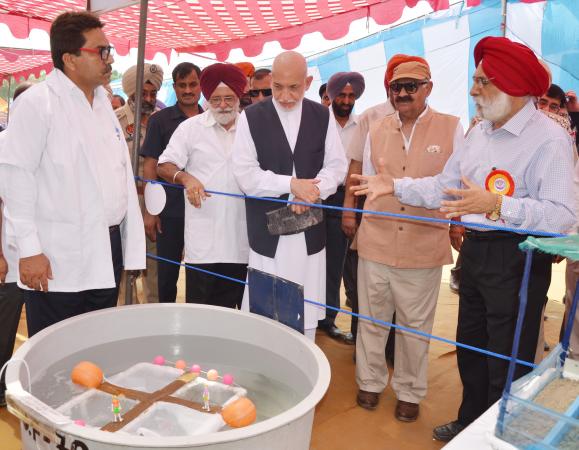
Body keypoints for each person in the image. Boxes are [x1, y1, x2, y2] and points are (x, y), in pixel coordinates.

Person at [351, 37, 575, 441]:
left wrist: (499, 203)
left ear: (513, 85)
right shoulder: (479, 133)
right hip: (474, 253)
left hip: (518, 258)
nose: (473, 90)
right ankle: (471, 423)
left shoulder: (550, 139)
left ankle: (502, 434)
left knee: (508, 356)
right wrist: (394, 185)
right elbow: (444, 187)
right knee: (471, 346)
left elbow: (563, 218)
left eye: (483, 81)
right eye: (475, 80)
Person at [0, 11, 145, 337]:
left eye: (109, 51)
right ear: (70, 59)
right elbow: (16, 176)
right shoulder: (39, 103)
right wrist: (29, 249)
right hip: (57, 255)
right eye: (101, 51)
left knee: (95, 348)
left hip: (107, 248)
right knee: (56, 352)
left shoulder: (103, 103)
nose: (109, 59)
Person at [353, 56, 462, 422]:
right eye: (396, 88)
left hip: (422, 245)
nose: (402, 93)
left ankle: (409, 391)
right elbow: (368, 182)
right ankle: (369, 381)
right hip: (377, 242)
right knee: (371, 319)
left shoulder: (452, 128)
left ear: (428, 88)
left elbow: (453, 188)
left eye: (410, 87)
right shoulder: (375, 128)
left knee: (415, 327)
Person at [232, 51, 348, 341]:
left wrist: (313, 191)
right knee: (264, 317)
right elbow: (245, 174)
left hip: (310, 232)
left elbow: (336, 166)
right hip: (267, 236)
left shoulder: (322, 115)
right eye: (277, 87)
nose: (284, 96)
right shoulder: (250, 117)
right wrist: (291, 184)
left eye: (293, 87)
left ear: (308, 82)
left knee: (306, 316)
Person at [158, 63, 248, 308]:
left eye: (229, 98)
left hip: (242, 242)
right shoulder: (190, 128)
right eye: (216, 99)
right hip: (203, 241)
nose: (222, 105)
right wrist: (186, 178)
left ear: (239, 97)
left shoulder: (252, 129)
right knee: (200, 312)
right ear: (207, 98)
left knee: (235, 314)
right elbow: (164, 164)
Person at [140, 62, 203, 303]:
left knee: (200, 274)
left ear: (200, 86)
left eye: (193, 84)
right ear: (174, 88)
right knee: (166, 277)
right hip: (169, 212)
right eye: (182, 85)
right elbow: (150, 166)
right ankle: (165, 326)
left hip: (202, 209)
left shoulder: (211, 118)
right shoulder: (160, 120)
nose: (188, 90)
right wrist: (150, 211)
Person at [318, 71, 364, 342]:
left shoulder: (363, 125)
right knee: (313, 259)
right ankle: (312, 314)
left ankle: (329, 319)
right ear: (332, 97)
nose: (346, 101)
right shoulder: (318, 123)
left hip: (348, 198)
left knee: (337, 261)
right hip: (318, 195)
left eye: (351, 96)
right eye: (341, 95)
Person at [116, 63, 164, 304]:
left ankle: (155, 322)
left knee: (156, 267)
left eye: (153, 94)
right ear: (129, 92)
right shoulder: (115, 121)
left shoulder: (161, 122)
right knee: (126, 268)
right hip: (126, 204)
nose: (148, 99)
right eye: (142, 93)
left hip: (154, 203)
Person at [0, 82, 32, 407]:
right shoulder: (3, 143)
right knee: (4, 328)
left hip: (45, 262)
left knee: (42, 334)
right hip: (9, 256)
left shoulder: (47, 143)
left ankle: (29, 390)